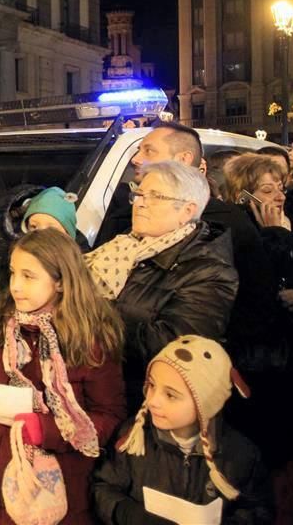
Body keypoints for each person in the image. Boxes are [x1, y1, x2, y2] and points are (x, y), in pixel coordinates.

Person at [0, 229, 126, 524]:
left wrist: (45, 430)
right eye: (12, 274)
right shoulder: (0, 326)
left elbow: (109, 415)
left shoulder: (90, 339)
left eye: (29, 276)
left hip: (55, 484)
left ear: (60, 281)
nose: (16, 286)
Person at [86, 161, 238, 407]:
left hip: (144, 400)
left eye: (155, 196)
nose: (140, 202)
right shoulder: (123, 245)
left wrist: (85, 315)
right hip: (91, 386)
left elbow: (174, 345)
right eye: (139, 193)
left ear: (187, 211)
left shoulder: (209, 271)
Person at [92, 336, 274, 524]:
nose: (153, 400)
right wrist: (132, 515)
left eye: (170, 395)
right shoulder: (132, 438)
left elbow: (258, 510)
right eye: (152, 385)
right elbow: (104, 488)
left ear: (206, 403)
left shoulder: (240, 454)